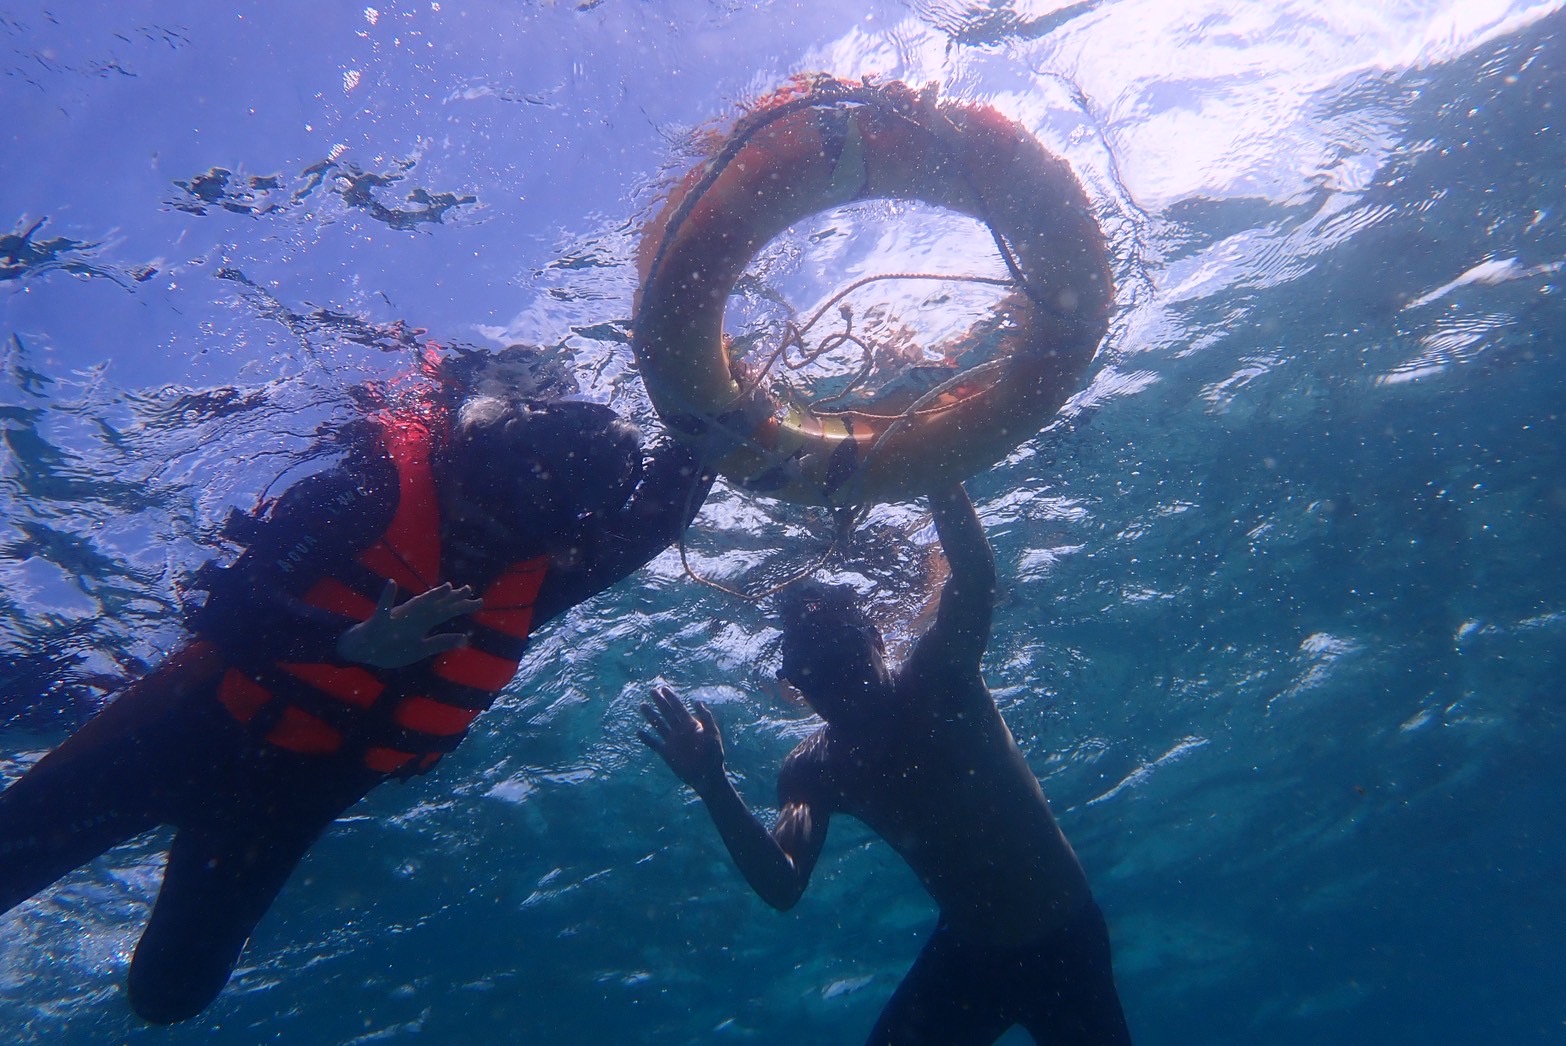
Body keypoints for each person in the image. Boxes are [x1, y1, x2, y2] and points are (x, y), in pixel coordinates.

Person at [0, 344, 714, 1024]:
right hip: (191, 738)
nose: (490, 531)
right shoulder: (366, 493)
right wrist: (348, 644)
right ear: (480, 451)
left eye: (529, 523)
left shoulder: (537, 572)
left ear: (558, 528)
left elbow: (654, 521)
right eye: (493, 494)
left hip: (287, 804)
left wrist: (713, 421)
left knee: (170, 995)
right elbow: (232, 611)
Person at [639, 484, 1132, 1045]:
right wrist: (712, 786)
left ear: (875, 639)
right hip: (973, 953)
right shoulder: (816, 769)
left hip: (1063, 939)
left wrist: (939, 477)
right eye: (813, 676)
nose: (838, 688)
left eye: (843, 661)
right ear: (796, 686)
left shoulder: (937, 680)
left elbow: (974, 578)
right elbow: (782, 883)